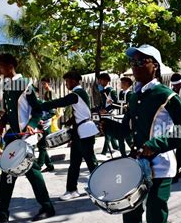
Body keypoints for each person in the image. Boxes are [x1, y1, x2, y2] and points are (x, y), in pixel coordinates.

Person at [101, 44, 181, 223]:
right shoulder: (133, 95)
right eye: (133, 62)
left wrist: (158, 144)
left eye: (142, 61)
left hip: (161, 168)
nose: (135, 66)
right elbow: (127, 129)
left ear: (155, 66)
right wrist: (107, 125)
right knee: (130, 221)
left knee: (156, 222)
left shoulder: (165, 94)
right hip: (137, 169)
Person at [0, 53, 55, 223]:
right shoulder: (7, 85)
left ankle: (44, 207)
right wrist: (1, 123)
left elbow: (38, 109)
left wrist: (32, 123)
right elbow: (9, 110)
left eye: (0, 67)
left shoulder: (24, 84)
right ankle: (3, 213)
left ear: (10, 66)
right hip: (13, 136)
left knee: (29, 170)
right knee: (11, 172)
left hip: (26, 136)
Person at [36, 71, 99, 201]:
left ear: (75, 81)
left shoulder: (77, 93)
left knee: (90, 162)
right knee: (75, 163)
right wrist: (68, 122)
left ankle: (102, 187)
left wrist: (40, 106)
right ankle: (72, 190)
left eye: (68, 81)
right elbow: (81, 111)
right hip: (80, 132)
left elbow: (61, 102)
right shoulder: (79, 94)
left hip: (84, 133)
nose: (66, 84)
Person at [98, 73, 119, 157]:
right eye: (99, 80)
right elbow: (104, 103)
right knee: (109, 131)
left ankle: (104, 151)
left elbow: (116, 103)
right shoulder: (103, 91)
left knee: (107, 132)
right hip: (106, 114)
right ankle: (116, 147)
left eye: (101, 80)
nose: (99, 82)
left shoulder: (111, 91)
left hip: (111, 113)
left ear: (107, 81)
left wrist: (106, 110)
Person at [36, 92, 55, 173]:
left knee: (42, 146)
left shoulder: (43, 103)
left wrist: (42, 119)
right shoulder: (34, 104)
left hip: (46, 127)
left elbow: (52, 113)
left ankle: (38, 166)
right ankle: (49, 165)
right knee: (41, 146)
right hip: (39, 127)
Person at [116, 77, 134, 156]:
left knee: (127, 137)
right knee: (121, 137)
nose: (121, 84)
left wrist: (128, 106)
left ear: (127, 84)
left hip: (127, 119)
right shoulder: (121, 93)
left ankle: (133, 151)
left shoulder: (130, 94)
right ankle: (123, 154)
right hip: (120, 117)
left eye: (123, 82)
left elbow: (131, 106)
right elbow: (118, 104)